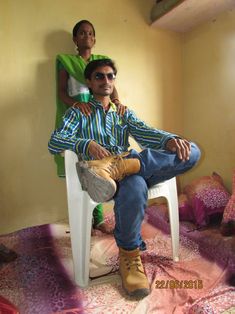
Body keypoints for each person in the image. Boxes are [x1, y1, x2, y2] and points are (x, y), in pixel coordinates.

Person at [48, 59, 201, 298]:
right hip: (99, 174)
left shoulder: (122, 112)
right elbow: (55, 141)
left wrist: (169, 139)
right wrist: (86, 143)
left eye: (110, 76)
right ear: (89, 81)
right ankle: (129, 255)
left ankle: (125, 166)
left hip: (126, 166)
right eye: (99, 76)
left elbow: (146, 131)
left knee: (192, 151)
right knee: (136, 185)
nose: (106, 81)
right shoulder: (78, 111)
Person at [55, 20, 126, 233]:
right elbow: (61, 92)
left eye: (90, 33)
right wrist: (78, 105)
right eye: (82, 33)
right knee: (82, 168)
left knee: (101, 165)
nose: (87, 36)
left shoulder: (100, 63)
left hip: (100, 119)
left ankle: (100, 218)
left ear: (94, 39)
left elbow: (111, 88)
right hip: (79, 120)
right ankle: (85, 216)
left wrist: (119, 104)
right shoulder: (66, 62)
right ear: (75, 39)